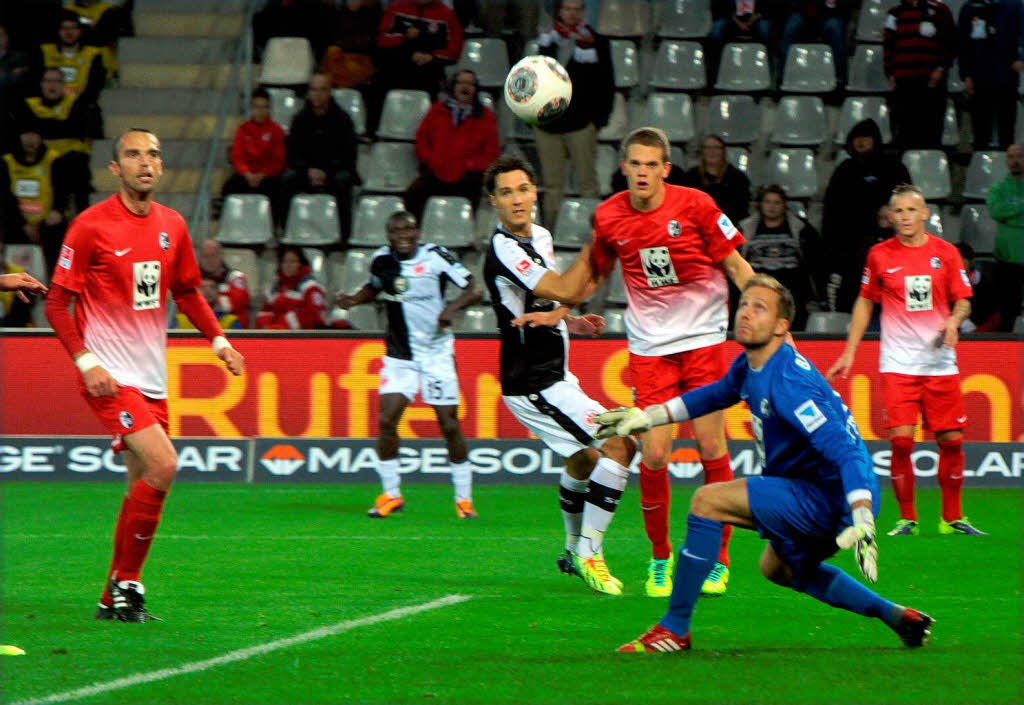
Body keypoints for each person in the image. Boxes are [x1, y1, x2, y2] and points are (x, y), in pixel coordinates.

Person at [597, 274, 935, 654]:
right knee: (778, 569)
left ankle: (674, 629)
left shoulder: (789, 383)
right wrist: (650, 417)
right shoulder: (750, 364)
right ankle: (896, 616)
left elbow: (846, 451)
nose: (745, 313)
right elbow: (716, 394)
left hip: (832, 498)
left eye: (759, 308)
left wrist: (861, 512)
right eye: (743, 304)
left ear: (781, 326)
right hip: (822, 494)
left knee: (707, 501)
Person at [44, 128, 245, 622]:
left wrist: (219, 341)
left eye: (153, 154)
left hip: (152, 378)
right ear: (116, 169)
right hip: (110, 377)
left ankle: (110, 597)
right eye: (133, 155)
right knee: (165, 465)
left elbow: (189, 291)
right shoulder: (90, 226)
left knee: (143, 483)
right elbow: (56, 301)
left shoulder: (171, 226)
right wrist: (86, 362)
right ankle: (130, 584)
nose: (145, 163)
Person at [585, 127, 755, 598]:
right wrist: (562, 311)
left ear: (666, 169)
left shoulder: (697, 205)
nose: (642, 172)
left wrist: (766, 314)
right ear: (624, 167)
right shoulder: (609, 216)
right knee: (655, 454)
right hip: (650, 350)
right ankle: (661, 559)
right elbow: (592, 273)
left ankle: (718, 561)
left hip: (702, 341)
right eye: (634, 164)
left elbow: (738, 267)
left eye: (650, 165)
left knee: (710, 446)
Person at [481, 154, 637, 595]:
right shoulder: (503, 249)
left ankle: (572, 548)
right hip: (533, 382)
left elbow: (555, 296)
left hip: (554, 376)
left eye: (522, 189)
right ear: (493, 202)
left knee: (586, 460)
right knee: (621, 444)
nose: (516, 200)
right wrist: (604, 238)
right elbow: (569, 284)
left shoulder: (542, 236)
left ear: (535, 193)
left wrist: (568, 318)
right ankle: (590, 551)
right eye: (506, 192)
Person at [828, 184, 985, 537]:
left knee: (951, 441)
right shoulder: (879, 255)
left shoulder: (945, 254)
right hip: (898, 364)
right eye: (898, 211)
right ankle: (907, 518)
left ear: (925, 213)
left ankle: (952, 518)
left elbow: (964, 300)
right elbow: (865, 301)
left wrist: (953, 321)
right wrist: (850, 350)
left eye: (911, 210)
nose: (904, 218)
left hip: (940, 363)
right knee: (900, 441)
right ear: (890, 216)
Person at [337, 210, 482, 519]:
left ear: (418, 233)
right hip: (399, 356)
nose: (403, 235)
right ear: (389, 235)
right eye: (396, 231)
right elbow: (374, 286)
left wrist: (451, 309)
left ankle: (463, 499)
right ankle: (391, 495)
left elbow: (474, 288)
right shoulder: (382, 260)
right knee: (387, 420)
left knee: (449, 425)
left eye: (408, 229)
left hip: (436, 353)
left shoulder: (436, 257)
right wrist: (353, 300)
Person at [533, 0, 615, 228]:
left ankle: (596, 236)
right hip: (547, 126)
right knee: (552, 186)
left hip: (581, 124)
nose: (571, 13)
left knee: (587, 184)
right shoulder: (546, 40)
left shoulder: (597, 42)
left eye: (576, 9)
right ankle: (550, 235)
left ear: (583, 12)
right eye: (567, 9)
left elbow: (607, 84)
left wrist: (598, 121)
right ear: (560, 12)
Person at [821, 118, 911, 313]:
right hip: (851, 252)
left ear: (876, 140)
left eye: (866, 137)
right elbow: (831, 211)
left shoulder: (894, 168)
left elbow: (908, 203)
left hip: (890, 247)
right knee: (854, 304)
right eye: (856, 138)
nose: (861, 142)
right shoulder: (844, 170)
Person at [403, 69, 500, 221]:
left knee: (463, 210)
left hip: (468, 175)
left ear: (476, 89)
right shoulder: (437, 110)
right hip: (436, 170)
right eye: (461, 83)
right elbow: (422, 139)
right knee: (412, 197)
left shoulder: (486, 117)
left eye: (470, 84)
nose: (465, 87)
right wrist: (431, 159)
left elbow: (491, 153)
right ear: (453, 86)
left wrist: (470, 165)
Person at [738, 183, 825, 331]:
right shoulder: (746, 228)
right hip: (758, 290)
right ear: (760, 204)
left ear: (784, 205)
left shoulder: (801, 229)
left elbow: (815, 262)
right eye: (768, 202)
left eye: (777, 202)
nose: (772, 207)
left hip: (793, 295)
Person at [283, 73, 358, 244]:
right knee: (287, 180)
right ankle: (286, 234)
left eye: (322, 90)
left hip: (333, 172)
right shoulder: (299, 119)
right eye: (314, 90)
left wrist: (326, 172)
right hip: (306, 172)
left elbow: (348, 155)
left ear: (330, 92)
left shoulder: (343, 120)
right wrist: (308, 171)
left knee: (343, 180)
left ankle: (344, 237)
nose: (317, 94)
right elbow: (293, 153)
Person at [883, 0, 957, 149]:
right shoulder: (894, 13)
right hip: (903, 84)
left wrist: (941, 68)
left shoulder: (940, 10)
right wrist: (890, 74)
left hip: (931, 83)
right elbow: (888, 45)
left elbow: (951, 43)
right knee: (904, 135)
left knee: (930, 134)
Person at [1, 127, 72, 275]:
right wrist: (24, 224)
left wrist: (57, 210)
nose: (31, 140)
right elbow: (6, 199)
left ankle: (55, 281)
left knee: (58, 229)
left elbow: (62, 190)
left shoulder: (53, 159)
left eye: (35, 135)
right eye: (26, 134)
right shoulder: (6, 162)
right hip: (16, 221)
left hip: (46, 220)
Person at [957, 0, 1024, 150]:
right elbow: (962, 44)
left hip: (1006, 78)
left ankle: (1006, 171)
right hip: (979, 80)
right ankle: (981, 171)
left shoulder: (1014, 5)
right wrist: (966, 75)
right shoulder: (970, 7)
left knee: (1006, 134)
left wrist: (1021, 58)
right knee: (981, 135)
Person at [220, 87, 286, 227]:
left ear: (269, 109)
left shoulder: (276, 131)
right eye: (257, 107)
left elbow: (278, 160)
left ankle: (272, 229)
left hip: (267, 176)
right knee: (229, 187)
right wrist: (247, 173)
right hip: (247, 175)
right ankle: (231, 226)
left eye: (264, 107)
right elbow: (237, 156)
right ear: (251, 108)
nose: (260, 111)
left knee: (278, 189)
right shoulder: (243, 130)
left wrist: (263, 174)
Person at [986, 143, 1024, 331]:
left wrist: (1011, 218)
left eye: (1019, 156)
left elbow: (1003, 213)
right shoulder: (998, 188)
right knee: (1008, 312)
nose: (1015, 161)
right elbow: (996, 211)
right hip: (1007, 259)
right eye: (1010, 156)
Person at [679, 134, 752, 227]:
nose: (712, 152)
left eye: (716, 148)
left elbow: (740, 208)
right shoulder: (690, 177)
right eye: (708, 148)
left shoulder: (738, 178)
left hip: (728, 226)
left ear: (723, 151)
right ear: (702, 151)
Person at [779, 0, 853, 88]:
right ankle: (784, 77)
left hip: (830, 14)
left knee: (835, 29)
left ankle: (840, 80)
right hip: (803, 12)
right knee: (790, 30)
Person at [37, 11, 106, 101]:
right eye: (64, 28)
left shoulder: (92, 54)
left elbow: (95, 86)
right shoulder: (45, 51)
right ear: (58, 31)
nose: (68, 32)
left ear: (80, 31)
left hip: (81, 106)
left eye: (73, 28)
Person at [255, 246, 327, 329]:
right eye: (284, 262)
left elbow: (314, 316)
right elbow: (266, 310)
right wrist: (265, 325)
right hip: (276, 333)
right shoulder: (275, 286)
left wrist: (283, 325)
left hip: (304, 336)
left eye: (293, 262)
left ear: (300, 264)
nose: (288, 265)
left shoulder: (311, 287)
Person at [197, 239, 252, 329]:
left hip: (232, 331)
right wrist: (223, 296)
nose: (209, 260)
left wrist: (212, 299)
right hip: (199, 328)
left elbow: (238, 305)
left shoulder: (236, 277)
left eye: (213, 256)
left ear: (221, 256)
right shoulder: (193, 278)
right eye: (205, 256)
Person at [955, 242, 1001, 332]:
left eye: (961, 260)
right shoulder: (945, 284)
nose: (956, 266)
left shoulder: (984, 285)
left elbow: (993, 316)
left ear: (971, 262)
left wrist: (974, 330)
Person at [171, 277, 243, 330]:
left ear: (218, 293)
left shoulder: (231, 321)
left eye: (212, 287)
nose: (208, 291)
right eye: (202, 287)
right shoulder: (181, 320)